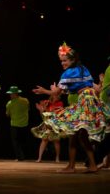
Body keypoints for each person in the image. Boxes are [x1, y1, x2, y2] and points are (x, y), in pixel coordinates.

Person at [32, 42, 108, 173]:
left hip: (85, 101)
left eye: (65, 60)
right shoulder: (84, 69)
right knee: (78, 134)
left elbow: (57, 93)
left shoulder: (68, 73)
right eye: (61, 61)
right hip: (90, 100)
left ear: (73, 60)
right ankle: (86, 165)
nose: (62, 63)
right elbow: (94, 87)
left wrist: (44, 91)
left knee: (75, 133)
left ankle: (73, 166)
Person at [31, 92, 63, 163]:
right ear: (52, 95)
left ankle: (57, 158)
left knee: (56, 141)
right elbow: (43, 115)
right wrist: (41, 109)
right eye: (56, 96)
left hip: (55, 124)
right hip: (47, 124)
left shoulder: (59, 103)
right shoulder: (47, 102)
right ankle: (39, 158)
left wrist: (45, 109)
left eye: (58, 96)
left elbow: (56, 115)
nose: (57, 97)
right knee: (44, 140)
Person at [5, 86, 30, 161]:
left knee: (15, 142)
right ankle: (23, 156)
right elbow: (28, 109)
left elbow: (7, 114)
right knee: (23, 141)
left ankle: (19, 157)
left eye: (11, 94)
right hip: (25, 124)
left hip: (15, 124)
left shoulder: (9, 103)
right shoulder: (26, 100)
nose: (10, 95)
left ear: (15, 94)